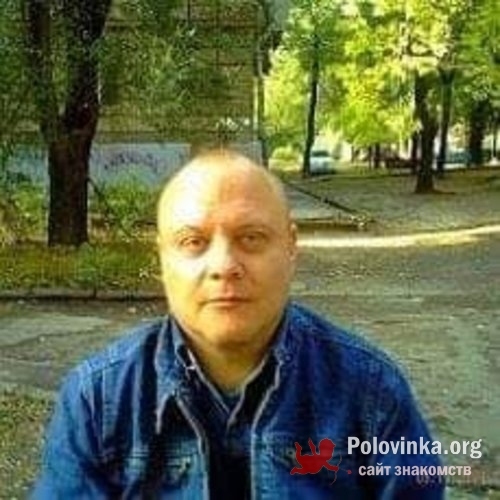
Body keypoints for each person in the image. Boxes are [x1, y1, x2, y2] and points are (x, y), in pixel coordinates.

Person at [32, 150, 444, 499]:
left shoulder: (371, 392)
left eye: (251, 238)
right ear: (162, 259)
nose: (224, 265)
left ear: (291, 247)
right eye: (193, 241)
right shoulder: (97, 400)